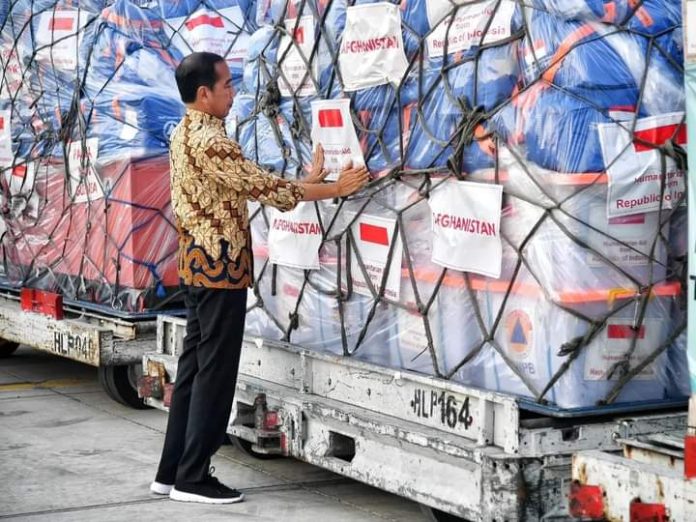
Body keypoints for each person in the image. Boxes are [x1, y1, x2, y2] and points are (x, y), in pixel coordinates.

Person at [150, 51, 368, 505]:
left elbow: (242, 184)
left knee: (193, 371)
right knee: (215, 374)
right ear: (204, 93)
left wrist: (306, 179)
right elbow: (262, 188)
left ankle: (172, 471)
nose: (234, 92)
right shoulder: (211, 141)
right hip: (219, 272)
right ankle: (194, 477)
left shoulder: (185, 132)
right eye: (227, 85)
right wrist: (332, 188)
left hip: (197, 266)